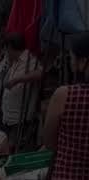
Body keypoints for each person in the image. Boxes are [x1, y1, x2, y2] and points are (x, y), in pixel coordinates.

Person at [43, 32, 89, 180]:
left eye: (72, 58)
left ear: (83, 62)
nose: (71, 62)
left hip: (66, 173)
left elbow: (49, 142)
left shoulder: (64, 95)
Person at [1, 33, 43, 153]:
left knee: (16, 147)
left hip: (20, 115)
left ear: (11, 48)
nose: (6, 52)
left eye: (7, 49)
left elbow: (40, 73)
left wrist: (17, 80)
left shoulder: (29, 60)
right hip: (9, 115)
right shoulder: (14, 62)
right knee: (10, 145)